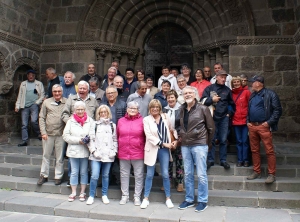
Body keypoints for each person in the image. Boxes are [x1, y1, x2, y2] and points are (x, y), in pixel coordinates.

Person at [178, 86, 215, 212]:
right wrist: (180, 136)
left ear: (195, 94)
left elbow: (211, 128)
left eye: (190, 93)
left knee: (201, 174)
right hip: (185, 145)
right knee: (188, 174)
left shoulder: (203, 108)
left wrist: (207, 144)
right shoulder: (181, 109)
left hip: (199, 144)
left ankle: (202, 200)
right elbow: (180, 126)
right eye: (185, 93)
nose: (187, 95)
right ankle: (189, 199)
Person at [140, 99, 178, 209]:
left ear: (160, 108)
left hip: (164, 150)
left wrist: (175, 140)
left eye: (157, 107)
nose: (155, 109)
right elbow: (149, 136)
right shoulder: (146, 120)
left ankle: (168, 198)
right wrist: (163, 143)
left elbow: (172, 129)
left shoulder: (165, 117)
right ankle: (146, 198)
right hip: (152, 148)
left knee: (165, 174)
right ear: (149, 108)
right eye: (153, 107)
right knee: (150, 174)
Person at [246, 75, 282, 184]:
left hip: (264, 126)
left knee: (269, 150)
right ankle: (257, 171)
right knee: (254, 150)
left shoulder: (270, 94)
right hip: (252, 126)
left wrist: (268, 123)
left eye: (252, 82)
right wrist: (248, 121)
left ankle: (272, 174)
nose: (251, 84)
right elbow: (249, 109)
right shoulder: (253, 95)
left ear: (258, 83)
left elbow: (278, 110)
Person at [201, 70, 235, 170]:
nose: (224, 79)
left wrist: (229, 113)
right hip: (212, 118)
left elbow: (231, 104)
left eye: (225, 77)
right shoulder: (209, 88)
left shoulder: (227, 90)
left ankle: (223, 160)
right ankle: (210, 160)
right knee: (211, 139)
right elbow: (202, 101)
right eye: (222, 77)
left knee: (223, 140)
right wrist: (212, 100)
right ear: (216, 77)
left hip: (224, 118)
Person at [62, 101, 95, 202]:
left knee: (84, 172)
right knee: (74, 172)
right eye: (78, 109)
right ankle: (73, 192)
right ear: (75, 110)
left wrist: (87, 139)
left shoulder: (90, 121)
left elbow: (92, 134)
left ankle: (83, 192)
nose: (80, 111)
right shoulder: (70, 121)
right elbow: (65, 136)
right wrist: (79, 140)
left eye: (82, 109)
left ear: (85, 110)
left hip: (85, 150)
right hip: (73, 150)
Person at [86, 105, 117, 205]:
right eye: (101, 112)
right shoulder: (94, 125)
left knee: (105, 175)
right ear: (98, 114)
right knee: (94, 175)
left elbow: (115, 140)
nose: (103, 114)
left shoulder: (113, 125)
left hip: (108, 155)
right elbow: (91, 140)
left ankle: (104, 194)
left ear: (108, 113)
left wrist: (114, 151)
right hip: (96, 155)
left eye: (105, 112)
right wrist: (94, 151)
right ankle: (91, 195)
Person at [37, 84, 66, 186]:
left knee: (59, 157)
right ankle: (44, 175)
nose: (57, 93)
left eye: (59, 91)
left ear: (62, 92)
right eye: (55, 91)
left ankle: (58, 176)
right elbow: (41, 117)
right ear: (52, 92)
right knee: (46, 155)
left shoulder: (66, 102)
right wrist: (43, 132)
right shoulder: (46, 102)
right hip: (48, 134)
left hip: (61, 134)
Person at [117, 101, 145, 206]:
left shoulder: (143, 121)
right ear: (127, 109)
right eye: (130, 108)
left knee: (138, 175)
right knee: (124, 175)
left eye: (135, 108)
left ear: (138, 110)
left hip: (138, 152)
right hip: (124, 152)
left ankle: (137, 196)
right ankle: (125, 196)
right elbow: (117, 135)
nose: (132, 110)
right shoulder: (121, 121)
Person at [15, 70, 44, 146]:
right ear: (27, 76)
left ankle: (38, 133)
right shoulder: (23, 84)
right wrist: (17, 106)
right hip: (24, 105)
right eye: (29, 75)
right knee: (24, 124)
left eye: (32, 75)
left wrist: (37, 102)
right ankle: (24, 140)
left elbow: (42, 95)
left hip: (34, 105)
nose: (31, 76)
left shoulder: (38, 84)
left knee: (34, 121)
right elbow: (20, 95)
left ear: (34, 76)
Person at [162, 90, 184, 192]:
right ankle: (169, 181)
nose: (170, 99)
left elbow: (183, 125)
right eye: (168, 98)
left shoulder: (182, 109)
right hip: (167, 139)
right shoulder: (163, 110)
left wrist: (177, 139)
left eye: (172, 97)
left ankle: (180, 182)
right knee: (168, 161)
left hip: (179, 138)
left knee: (179, 161)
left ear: (176, 98)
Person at [231, 76, 251, 167]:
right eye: (234, 82)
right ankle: (240, 160)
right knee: (238, 141)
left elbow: (250, 106)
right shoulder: (231, 94)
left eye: (238, 82)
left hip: (245, 120)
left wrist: (249, 118)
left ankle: (246, 160)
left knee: (245, 141)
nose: (236, 83)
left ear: (241, 82)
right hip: (236, 120)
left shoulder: (246, 92)